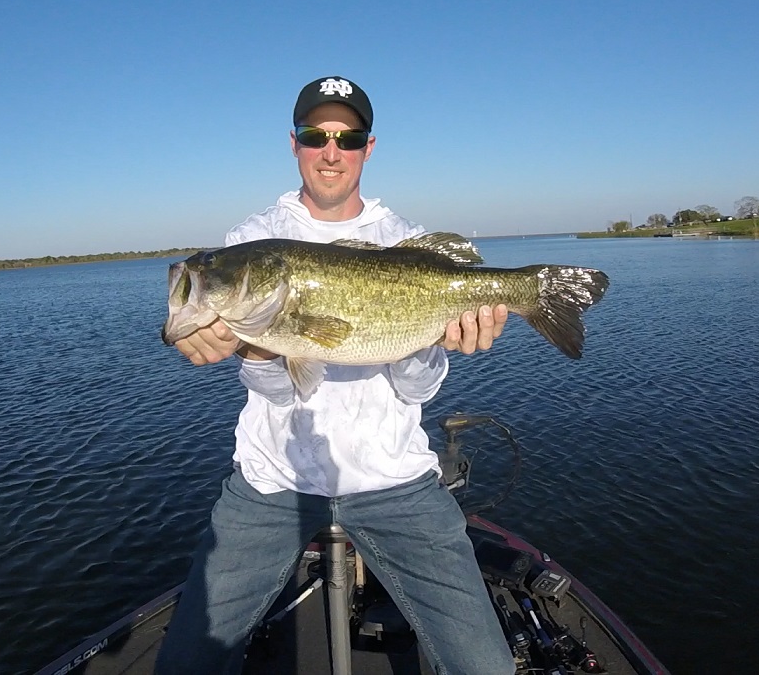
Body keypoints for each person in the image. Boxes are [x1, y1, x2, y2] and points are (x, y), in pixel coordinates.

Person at [154, 76, 515, 674]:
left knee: (486, 667)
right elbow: (278, 387)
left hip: (395, 479)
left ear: (368, 148)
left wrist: (430, 338)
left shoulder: (403, 240)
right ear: (293, 144)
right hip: (274, 483)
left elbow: (418, 390)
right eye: (314, 135)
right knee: (186, 662)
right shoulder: (253, 239)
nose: (330, 150)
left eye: (347, 138)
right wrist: (256, 351)